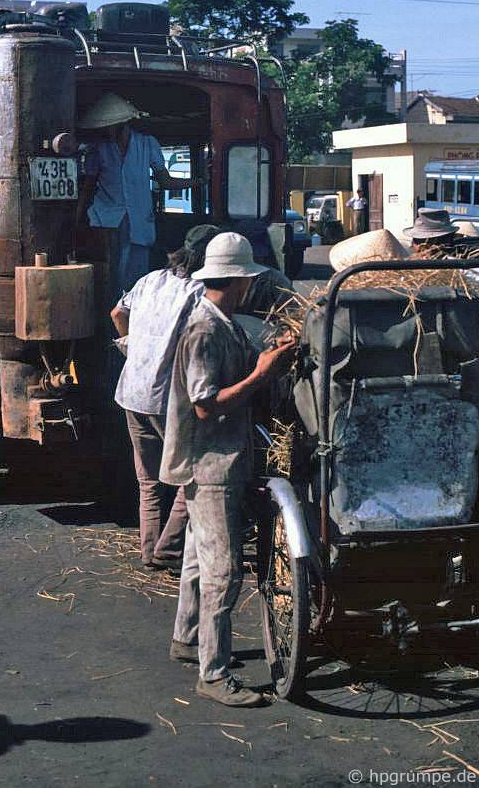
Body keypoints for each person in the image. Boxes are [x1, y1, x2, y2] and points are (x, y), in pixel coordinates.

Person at [159, 232, 297, 708]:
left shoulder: (223, 323)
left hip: (216, 457)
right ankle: (214, 674)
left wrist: (269, 356)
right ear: (240, 281)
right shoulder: (205, 330)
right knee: (224, 570)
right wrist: (262, 374)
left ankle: (186, 638)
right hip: (211, 462)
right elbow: (205, 404)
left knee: (198, 557)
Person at [110, 225, 222, 569]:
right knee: (192, 475)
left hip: (132, 391)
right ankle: (170, 548)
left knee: (148, 482)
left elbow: (117, 313)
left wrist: (133, 346)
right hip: (166, 398)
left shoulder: (150, 280)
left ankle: (150, 551)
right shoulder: (199, 292)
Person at [78, 93, 195, 294]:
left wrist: (198, 182)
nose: (105, 131)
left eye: (109, 126)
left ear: (121, 125)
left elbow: (165, 181)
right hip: (106, 221)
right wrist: (78, 217)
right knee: (108, 277)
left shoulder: (147, 144)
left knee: (136, 279)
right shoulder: (98, 149)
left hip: (139, 222)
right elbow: (88, 186)